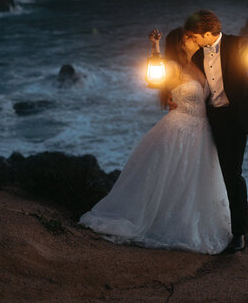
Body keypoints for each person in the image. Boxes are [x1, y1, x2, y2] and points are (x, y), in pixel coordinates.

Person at [79, 27, 232, 254]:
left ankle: (192, 220)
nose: (194, 39)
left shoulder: (201, 65)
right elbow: (154, 77)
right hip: (180, 128)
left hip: (203, 131)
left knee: (194, 180)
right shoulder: (174, 67)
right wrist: (155, 46)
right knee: (170, 177)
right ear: (180, 44)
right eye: (189, 38)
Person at [184, 9, 248, 253]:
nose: (193, 40)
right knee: (208, 171)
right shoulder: (197, 56)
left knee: (233, 174)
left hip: (235, 118)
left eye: (195, 36)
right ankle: (205, 224)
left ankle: (239, 233)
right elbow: (194, 86)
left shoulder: (237, 44)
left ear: (208, 34)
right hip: (210, 119)